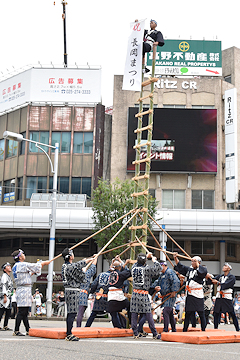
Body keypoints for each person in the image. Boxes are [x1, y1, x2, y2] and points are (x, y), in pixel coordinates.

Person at [11, 249, 51, 336]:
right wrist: (43, 263)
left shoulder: (16, 266)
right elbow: (35, 266)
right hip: (24, 290)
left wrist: (40, 265)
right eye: (23, 254)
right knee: (22, 311)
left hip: (23, 289)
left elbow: (29, 273)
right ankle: (16, 330)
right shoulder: (22, 264)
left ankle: (28, 329)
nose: (24, 255)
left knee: (24, 312)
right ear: (20, 257)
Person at [62, 248, 94, 341]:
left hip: (70, 290)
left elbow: (78, 270)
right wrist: (86, 263)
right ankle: (69, 334)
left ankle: (69, 332)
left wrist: (88, 261)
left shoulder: (66, 266)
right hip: (72, 291)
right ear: (70, 256)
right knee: (72, 313)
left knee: (71, 313)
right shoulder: (69, 267)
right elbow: (80, 273)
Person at [131, 252, 162, 340]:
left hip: (134, 293)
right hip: (143, 294)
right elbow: (158, 268)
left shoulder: (133, 268)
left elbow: (139, 263)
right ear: (145, 262)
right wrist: (154, 260)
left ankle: (135, 333)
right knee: (148, 313)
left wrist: (146, 257)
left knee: (134, 313)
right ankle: (155, 333)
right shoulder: (146, 269)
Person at [173, 253, 207, 332]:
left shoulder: (203, 269)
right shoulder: (189, 270)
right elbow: (180, 266)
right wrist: (175, 258)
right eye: (192, 261)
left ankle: (203, 329)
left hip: (198, 294)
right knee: (188, 312)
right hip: (190, 294)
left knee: (201, 313)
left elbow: (202, 273)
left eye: (194, 261)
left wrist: (197, 264)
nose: (192, 263)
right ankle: (185, 329)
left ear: (199, 262)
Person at [208, 262, 239, 331]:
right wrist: (208, 277)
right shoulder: (220, 276)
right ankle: (215, 328)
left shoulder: (232, 277)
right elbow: (213, 279)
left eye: (225, 266)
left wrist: (218, 283)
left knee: (232, 313)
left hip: (226, 297)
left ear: (229, 269)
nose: (223, 267)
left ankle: (237, 329)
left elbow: (226, 285)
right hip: (219, 296)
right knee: (216, 313)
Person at [151, 261, 180, 333]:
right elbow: (157, 282)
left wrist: (174, 291)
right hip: (165, 295)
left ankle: (165, 330)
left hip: (170, 295)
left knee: (166, 311)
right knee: (169, 313)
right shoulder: (161, 274)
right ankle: (173, 329)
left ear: (163, 265)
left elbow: (176, 281)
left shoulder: (170, 272)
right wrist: (153, 288)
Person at [107, 256, 131, 328]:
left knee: (113, 313)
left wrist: (117, 261)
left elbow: (115, 268)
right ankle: (131, 322)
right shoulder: (121, 274)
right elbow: (128, 272)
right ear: (120, 267)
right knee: (129, 306)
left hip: (110, 296)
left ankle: (117, 327)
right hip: (118, 296)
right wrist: (125, 263)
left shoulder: (110, 273)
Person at [76, 256, 97, 327]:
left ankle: (75, 327)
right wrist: (96, 258)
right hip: (82, 294)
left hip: (75, 294)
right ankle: (78, 327)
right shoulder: (86, 274)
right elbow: (93, 267)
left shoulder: (75, 273)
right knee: (80, 313)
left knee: (75, 313)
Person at [0, 262, 13, 331]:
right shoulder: (4, 276)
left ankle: (5, 325)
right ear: (4, 269)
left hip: (8, 297)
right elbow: (3, 286)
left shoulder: (8, 277)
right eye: (7, 266)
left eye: (9, 266)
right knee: (1, 311)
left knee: (8, 311)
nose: (9, 267)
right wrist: (4, 296)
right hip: (4, 297)